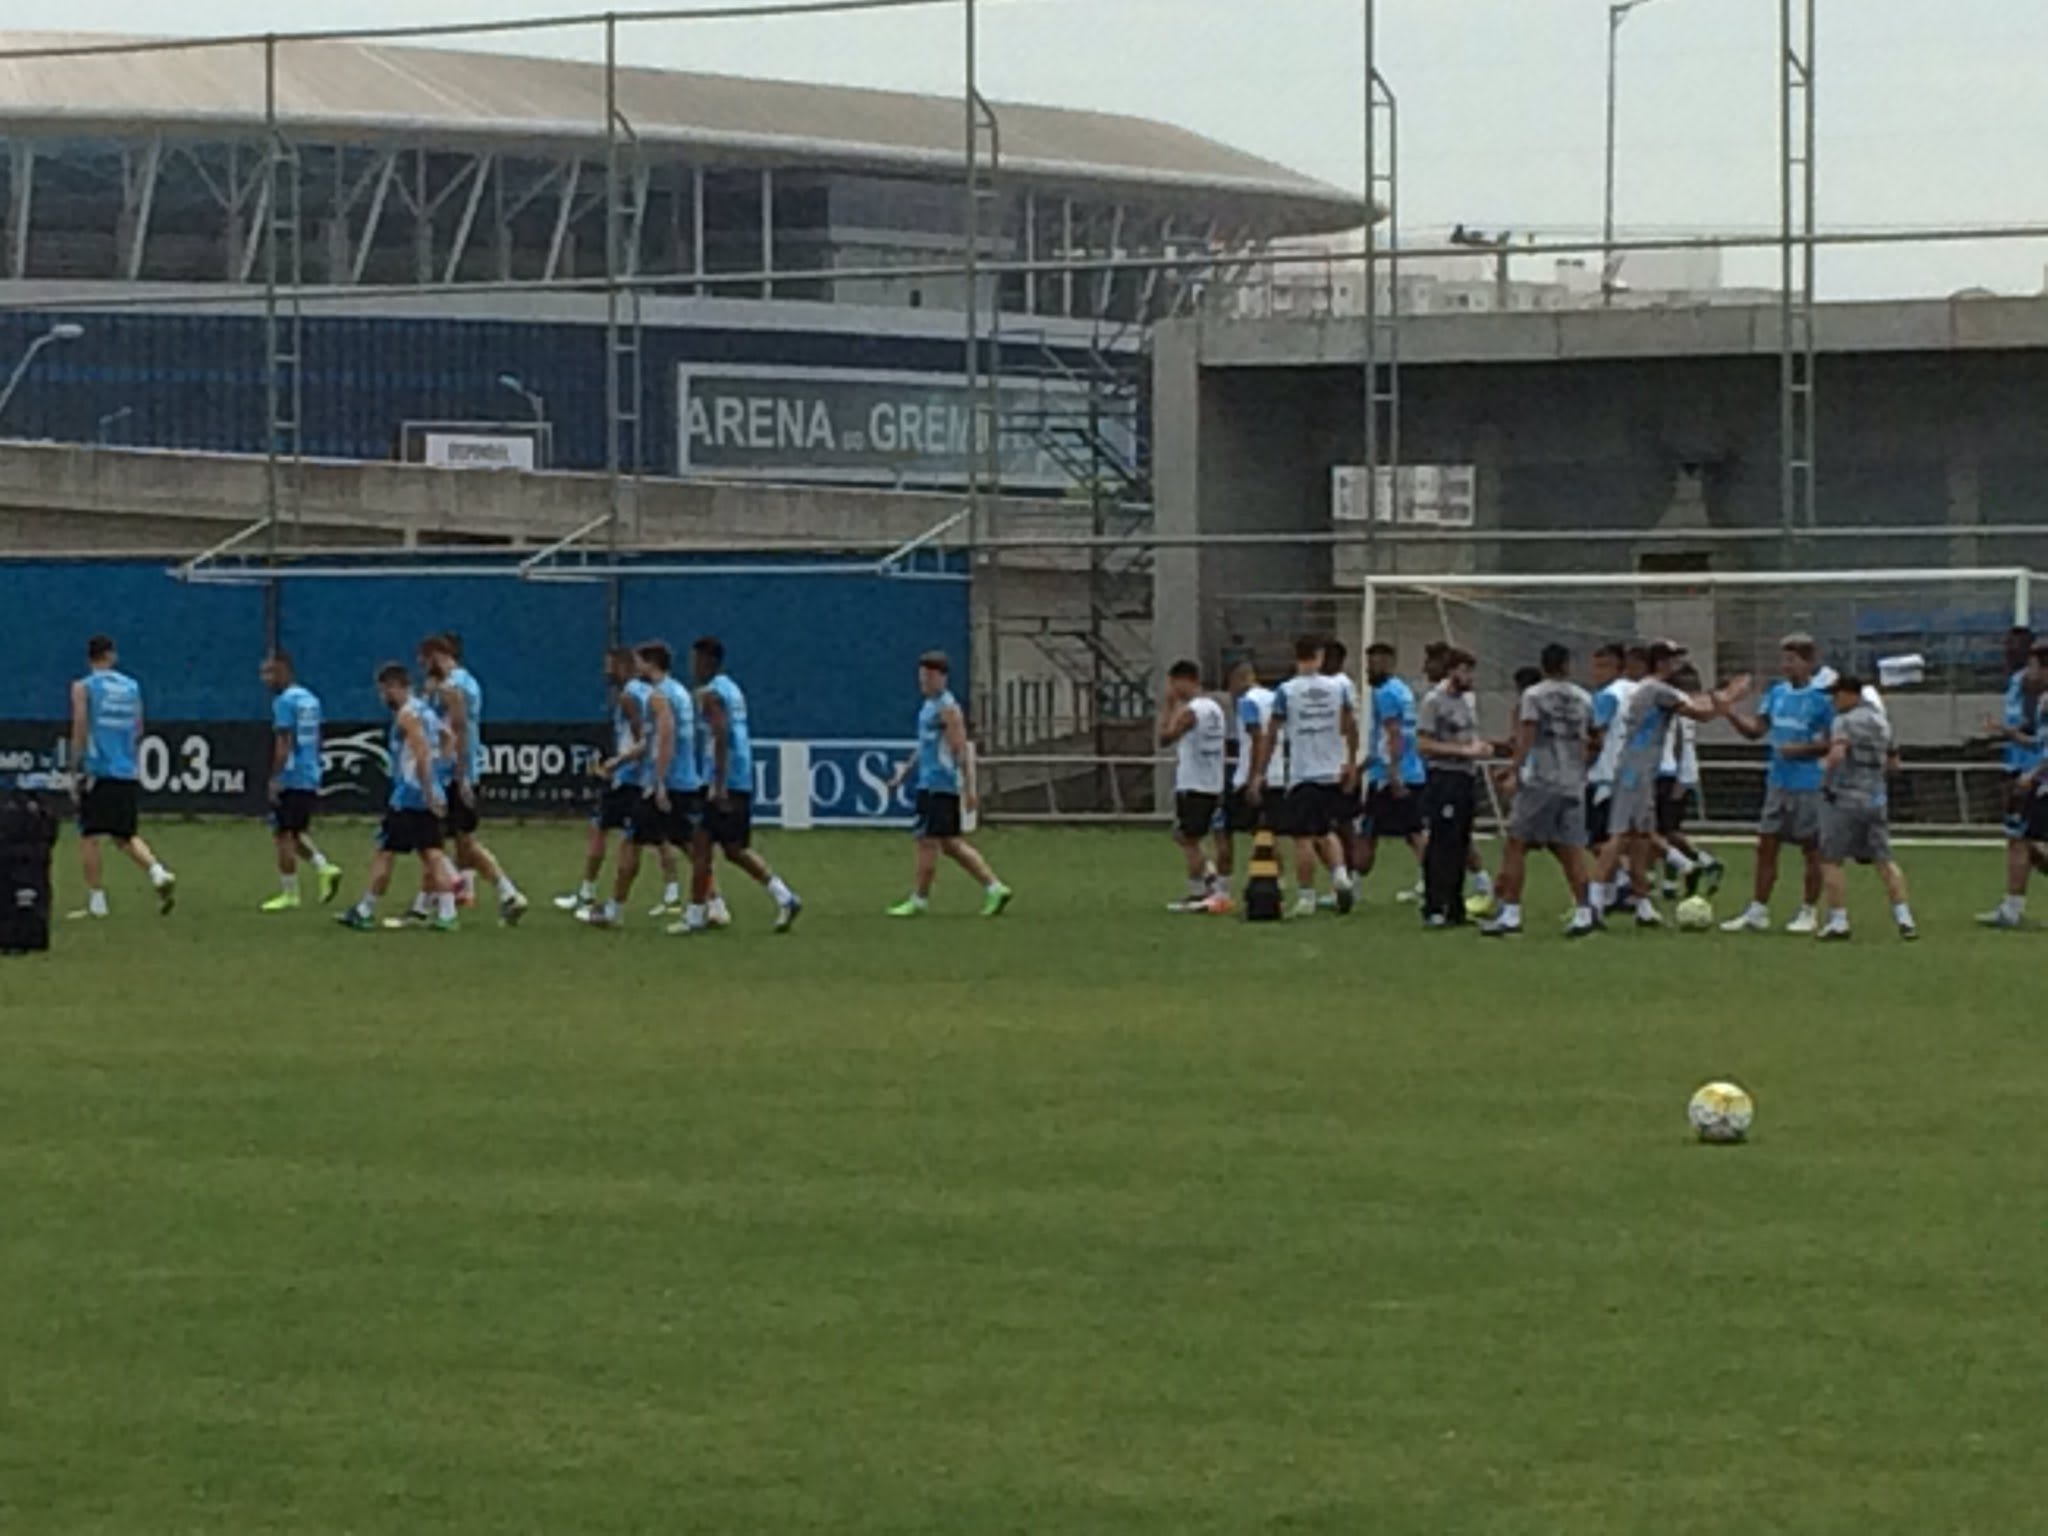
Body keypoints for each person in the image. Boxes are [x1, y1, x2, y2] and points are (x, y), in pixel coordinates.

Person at [1590, 641, 1748, 927]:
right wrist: (1730, 696)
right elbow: (1702, 713)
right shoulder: (1655, 689)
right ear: (1660, 662)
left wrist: (1720, 698)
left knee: (1640, 838)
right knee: (1619, 837)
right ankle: (1593, 903)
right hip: (1633, 770)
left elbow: (1698, 705)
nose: (1677, 665)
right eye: (1673, 659)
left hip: (1642, 770)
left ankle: (1643, 905)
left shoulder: (1656, 689)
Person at [584, 642, 706, 929]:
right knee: (688, 845)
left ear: (650, 663)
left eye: (639, 662)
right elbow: (651, 741)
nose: (636, 667)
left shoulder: (659, 696)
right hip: (686, 780)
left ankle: (614, 909)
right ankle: (712, 903)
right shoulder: (680, 693)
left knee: (632, 842)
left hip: (665, 783)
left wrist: (659, 781)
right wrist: (620, 760)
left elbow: (665, 739)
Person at [554, 647, 682, 916]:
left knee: (601, 828)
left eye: (610, 665)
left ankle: (588, 893)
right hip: (637, 775)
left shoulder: (629, 696)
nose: (606, 671)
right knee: (657, 836)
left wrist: (618, 764)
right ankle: (672, 892)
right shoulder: (646, 693)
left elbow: (642, 736)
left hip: (628, 778)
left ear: (624, 666)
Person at [883, 651, 1012, 917]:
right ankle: (994, 887)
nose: (924, 682)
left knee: (926, 841)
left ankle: (918, 899)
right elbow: (924, 746)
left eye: (929, 677)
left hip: (940, 785)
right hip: (928, 784)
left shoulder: (948, 708)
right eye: (922, 676)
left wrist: (969, 788)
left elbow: (959, 749)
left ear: (942, 678)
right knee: (949, 844)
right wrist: (904, 774)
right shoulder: (929, 706)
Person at [1483, 643, 1598, 939]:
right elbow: (1595, 738)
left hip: (1541, 781)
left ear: (1543, 665)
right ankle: (1585, 912)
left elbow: (1527, 737)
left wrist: (1513, 768)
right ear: (1567, 665)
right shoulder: (1583, 697)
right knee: (1571, 849)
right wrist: (1582, 765)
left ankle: (1511, 914)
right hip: (1572, 781)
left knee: (1516, 844)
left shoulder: (1534, 696)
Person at [690, 636, 802, 934]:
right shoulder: (732, 689)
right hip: (741, 776)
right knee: (734, 849)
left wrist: (718, 783)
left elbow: (721, 736)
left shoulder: (712, 694)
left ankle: (696, 915)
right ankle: (784, 896)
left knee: (700, 846)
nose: (693, 667)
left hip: (723, 779)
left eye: (696, 660)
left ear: (707, 661)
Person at [1721, 633, 1832, 934]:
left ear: (1809, 663)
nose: (1785, 665)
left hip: (1809, 783)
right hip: (1778, 781)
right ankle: (1758, 910)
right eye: (1783, 659)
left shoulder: (1823, 699)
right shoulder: (1776, 694)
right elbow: (1757, 731)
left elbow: (1834, 743)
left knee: (1811, 849)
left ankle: (1808, 911)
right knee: (1766, 845)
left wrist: (1802, 750)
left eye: (1792, 659)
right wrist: (1729, 711)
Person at [337, 664, 459, 932]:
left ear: (395, 686)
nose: (382, 697)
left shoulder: (407, 715)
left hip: (410, 795)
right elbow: (448, 738)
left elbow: (422, 753)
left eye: (383, 691)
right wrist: (442, 776)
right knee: (432, 853)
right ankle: (448, 914)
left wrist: (427, 790)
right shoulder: (425, 709)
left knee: (385, 851)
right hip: (428, 790)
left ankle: (365, 909)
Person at [420, 634, 529, 925]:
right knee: (456, 841)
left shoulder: (452, 688)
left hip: (453, 771)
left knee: (440, 841)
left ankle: (505, 892)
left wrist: (460, 775)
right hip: (462, 768)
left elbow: (458, 730)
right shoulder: (467, 682)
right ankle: (441, 898)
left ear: (438, 655)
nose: (423, 666)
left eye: (426, 659)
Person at [1249, 636, 1360, 918]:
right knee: (1327, 830)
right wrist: (1350, 762)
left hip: (1303, 772)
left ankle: (1307, 896)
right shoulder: (1338, 688)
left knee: (1303, 838)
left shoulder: (1286, 691)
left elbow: (1273, 733)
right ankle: (1340, 877)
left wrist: (1260, 772)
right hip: (1332, 770)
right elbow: (1350, 726)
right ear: (1320, 656)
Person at [67, 633, 176, 919]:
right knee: (124, 834)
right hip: (126, 768)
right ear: (111, 656)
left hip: (99, 769)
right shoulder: (131, 687)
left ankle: (96, 901)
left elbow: (80, 726)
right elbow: (138, 727)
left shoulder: (84, 687)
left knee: (89, 835)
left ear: (90, 658)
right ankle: (157, 871)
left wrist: (74, 766)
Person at [1816, 673, 1916, 941]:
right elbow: (1894, 763)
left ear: (1851, 694)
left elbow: (1837, 753)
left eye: (1836, 695)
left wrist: (1825, 779)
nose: (1833, 701)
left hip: (1846, 796)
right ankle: (1905, 918)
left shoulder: (1844, 721)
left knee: (1831, 859)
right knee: (1884, 859)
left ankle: (1838, 921)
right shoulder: (1882, 722)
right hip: (1875, 796)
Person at [1415, 647, 1493, 927]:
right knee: (1442, 843)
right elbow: (1423, 743)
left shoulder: (1469, 700)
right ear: (1451, 672)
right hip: (1443, 777)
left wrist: (1481, 748)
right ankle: (1434, 907)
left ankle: (1455, 906)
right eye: (1464, 670)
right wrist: (1462, 751)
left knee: (1461, 841)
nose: (1470, 677)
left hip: (1465, 778)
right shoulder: (1434, 701)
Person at [260, 651, 341, 911]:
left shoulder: (284, 702)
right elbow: (317, 737)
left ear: (284, 671)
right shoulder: (310, 700)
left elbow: (283, 743)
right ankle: (324, 867)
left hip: (292, 775)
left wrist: (275, 777)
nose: (265, 679)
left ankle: (290, 893)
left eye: (269, 672)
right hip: (310, 771)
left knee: (283, 834)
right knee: (293, 831)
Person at [1979, 627, 2048, 928]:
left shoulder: (2040, 696)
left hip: (2036, 774)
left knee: (2025, 840)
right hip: (2022, 770)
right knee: (2019, 838)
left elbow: (2035, 738)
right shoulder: (2018, 685)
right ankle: (2011, 907)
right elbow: (2032, 738)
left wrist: (2032, 773)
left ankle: (2012, 908)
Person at [1158, 659, 1230, 913]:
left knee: (1189, 839)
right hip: (1212, 781)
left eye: (1173, 684)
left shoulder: (1191, 711)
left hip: (1194, 783)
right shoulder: (1214, 708)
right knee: (1184, 834)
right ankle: (1210, 877)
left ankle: (1199, 890)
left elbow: (1165, 738)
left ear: (1183, 680)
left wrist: (1168, 707)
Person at [1358, 641, 1427, 892]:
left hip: (1390, 775)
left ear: (1388, 664)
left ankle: (1349, 887)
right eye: (1369, 664)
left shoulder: (1385, 692)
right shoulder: (1403, 691)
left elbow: (1393, 734)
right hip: (1411, 770)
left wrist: (1393, 773)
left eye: (1374, 664)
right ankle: (1429, 881)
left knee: (1368, 831)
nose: (1369, 670)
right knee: (1413, 831)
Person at [1653, 663, 1725, 900]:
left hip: (1676, 775)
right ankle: (1671, 882)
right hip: (1682, 773)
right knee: (1668, 829)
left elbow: (1678, 745)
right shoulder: (1688, 707)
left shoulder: (1679, 710)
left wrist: (1677, 780)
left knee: (1663, 831)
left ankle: (1705, 862)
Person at [1220, 660, 1281, 886]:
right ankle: (1276, 880)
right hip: (1276, 774)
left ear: (1238, 679)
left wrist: (1254, 777)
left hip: (1250, 775)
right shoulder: (1274, 698)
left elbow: (1258, 738)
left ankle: (1223, 886)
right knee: (1266, 833)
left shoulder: (1248, 702)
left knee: (1224, 829)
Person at [1584, 642, 1638, 861]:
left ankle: (1620, 883)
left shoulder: (1607, 695)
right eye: (1596, 666)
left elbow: (1597, 735)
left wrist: (1582, 761)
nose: (1597, 673)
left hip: (1606, 776)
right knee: (1628, 836)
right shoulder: (1637, 691)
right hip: (1634, 772)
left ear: (1619, 668)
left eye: (1604, 666)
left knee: (1598, 840)